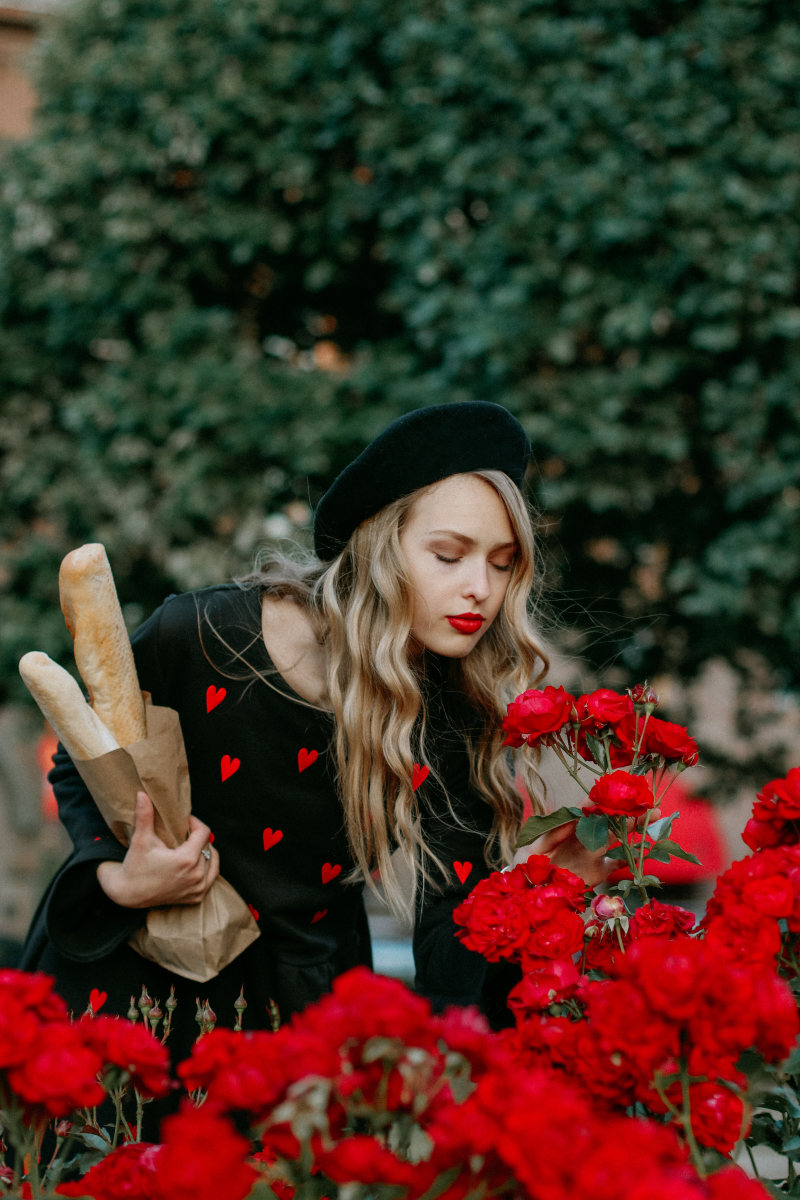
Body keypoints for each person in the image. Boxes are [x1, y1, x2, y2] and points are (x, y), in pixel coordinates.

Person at [20, 402, 604, 1061]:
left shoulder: (453, 715)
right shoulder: (204, 636)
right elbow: (86, 759)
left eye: (502, 564)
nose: (481, 588)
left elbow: (450, 967)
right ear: (380, 549)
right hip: (124, 1000)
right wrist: (122, 879)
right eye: (448, 554)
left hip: (294, 1035)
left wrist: (528, 889)